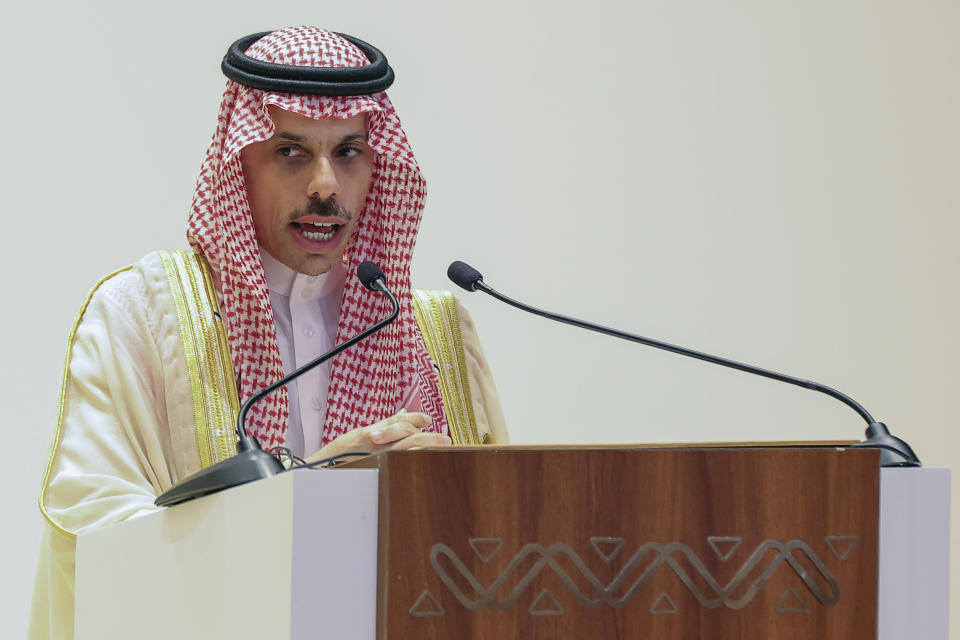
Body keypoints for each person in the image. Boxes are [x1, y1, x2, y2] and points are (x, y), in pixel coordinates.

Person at [28, 26, 507, 639]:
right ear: (239, 163)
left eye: (350, 152)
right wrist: (304, 499)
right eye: (291, 152)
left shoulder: (431, 335)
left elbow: (499, 547)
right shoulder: (140, 317)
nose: (326, 185)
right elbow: (97, 548)